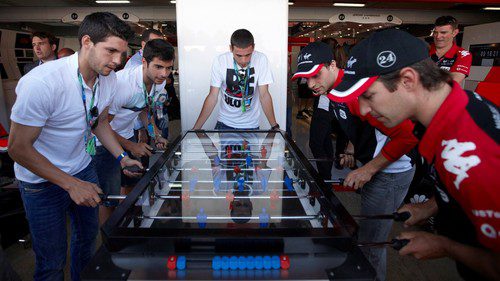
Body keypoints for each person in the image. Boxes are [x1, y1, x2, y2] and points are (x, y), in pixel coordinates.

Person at [329, 28, 500, 280]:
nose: (363, 110)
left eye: (369, 95)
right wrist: (432, 206)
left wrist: (444, 246)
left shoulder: (468, 151)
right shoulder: (458, 107)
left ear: (408, 80)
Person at [8, 12, 140, 281]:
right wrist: (70, 183)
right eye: (111, 51)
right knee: (52, 261)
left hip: (82, 169)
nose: (117, 61)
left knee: (87, 243)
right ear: (87, 41)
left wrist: (121, 157)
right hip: (41, 183)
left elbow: (99, 121)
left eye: (122, 53)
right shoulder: (43, 82)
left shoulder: (109, 78)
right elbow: (18, 148)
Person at [293, 41, 418, 281]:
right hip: (376, 165)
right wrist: (352, 148)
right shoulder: (334, 90)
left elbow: (406, 137)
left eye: (315, 75)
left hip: (392, 172)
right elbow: (361, 123)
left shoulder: (358, 92)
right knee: (365, 239)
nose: (310, 84)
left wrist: (368, 169)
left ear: (332, 65)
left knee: (371, 245)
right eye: (305, 78)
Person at [94, 39, 173, 224]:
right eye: (159, 67)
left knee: (131, 187)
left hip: (127, 135)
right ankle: (109, 244)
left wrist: (155, 135)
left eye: (169, 68)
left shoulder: (158, 82)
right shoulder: (123, 84)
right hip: (104, 143)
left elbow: (145, 109)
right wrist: (131, 146)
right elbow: (101, 126)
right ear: (144, 62)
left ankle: (126, 227)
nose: (164, 74)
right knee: (108, 198)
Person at [193, 29, 279, 131]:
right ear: (231, 48)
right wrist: (196, 129)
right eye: (239, 55)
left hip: (251, 125)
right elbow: (212, 96)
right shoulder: (220, 61)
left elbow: (264, 95)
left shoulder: (261, 59)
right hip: (225, 123)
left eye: (248, 55)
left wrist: (274, 126)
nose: (244, 60)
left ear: (254, 48)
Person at [430, 16, 472, 84]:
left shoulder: (463, 54)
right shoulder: (423, 49)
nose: (438, 36)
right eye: (435, 32)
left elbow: (451, 83)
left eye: (443, 33)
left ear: (454, 32)